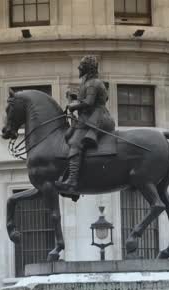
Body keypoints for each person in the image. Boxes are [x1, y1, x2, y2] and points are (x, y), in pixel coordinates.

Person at [55, 55, 115, 192]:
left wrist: (74, 106)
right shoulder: (87, 82)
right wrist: (75, 99)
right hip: (88, 117)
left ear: (88, 67)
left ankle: (73, 181)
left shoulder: (93, 83)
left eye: (81, 65)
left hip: (99, 118)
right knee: (68, 136)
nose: (78, 67)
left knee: (76, 143)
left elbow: (88, 102)